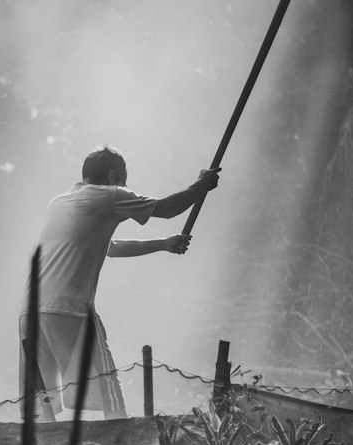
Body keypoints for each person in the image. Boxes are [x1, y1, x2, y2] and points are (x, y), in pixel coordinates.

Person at [20, 145, 220, 420]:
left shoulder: (59, 202)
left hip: (30, 311)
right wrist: (201, 186)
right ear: (114, 175)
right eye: (125, 179)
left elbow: (111, 247)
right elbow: (168, 208)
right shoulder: (112, 194)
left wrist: (163, 244)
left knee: (43, 402)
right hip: (70, 308)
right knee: (109, 390)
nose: (127, 186)